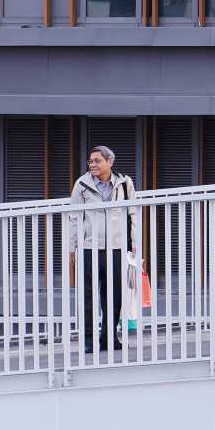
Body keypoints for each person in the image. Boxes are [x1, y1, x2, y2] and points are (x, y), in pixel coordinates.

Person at [66, 145, 138, 355]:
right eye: (90, 161)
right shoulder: (82, 184)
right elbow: (74, 218)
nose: (93, 165)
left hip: (116, 247)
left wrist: (134, 243)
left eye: (97, 161)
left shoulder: (125, 183)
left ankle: (109, 337)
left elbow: (132, 213)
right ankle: (89, 340)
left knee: (114, 295)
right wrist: (73, 248)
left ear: (110, 162)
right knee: (89, 296)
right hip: (90, 247)